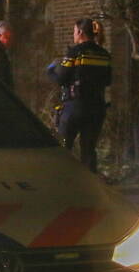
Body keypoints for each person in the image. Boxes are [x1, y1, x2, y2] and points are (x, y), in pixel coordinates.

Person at [47, 18, 111, 173]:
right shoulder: (104, 54)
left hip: (75, 107)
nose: (73, 35)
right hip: (97, 108)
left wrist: (51, 70)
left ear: (80, 32)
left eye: (74, 31)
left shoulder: (75, 52)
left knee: (62, 147)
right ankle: (89, 183)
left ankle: (60, 181)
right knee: (88, 151)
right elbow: (108, 80)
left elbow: (61, 78)